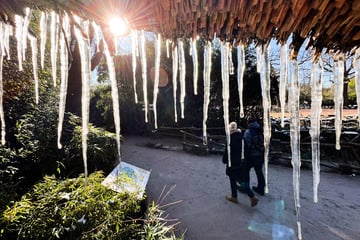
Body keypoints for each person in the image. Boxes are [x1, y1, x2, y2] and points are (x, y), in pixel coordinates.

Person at [222, 122, 259, 207]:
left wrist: (224, 160)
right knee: (238, 179)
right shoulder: (242, 139)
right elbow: (247, 151)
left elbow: (227, 153)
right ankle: (235, 196)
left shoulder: (230, 140)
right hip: (242, 163)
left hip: (232, 164)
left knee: (235, 179)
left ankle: (250, 196)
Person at [243, 118, 265, 196]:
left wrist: (244, 155)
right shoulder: (260, 130)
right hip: (260, 154)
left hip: (251, 155)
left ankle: (246, 188)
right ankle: (261, 188)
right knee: (259, 172)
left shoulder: (248, 132)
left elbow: (246, 145)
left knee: (245, 171)